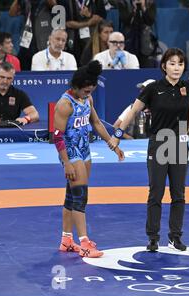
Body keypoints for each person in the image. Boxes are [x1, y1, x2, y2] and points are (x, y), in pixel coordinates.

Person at [109, 17, 189, 253]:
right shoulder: (153, 88)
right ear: (164, 66)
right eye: (172, 63)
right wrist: (117, 134)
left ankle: (175, 236)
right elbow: (133, 111)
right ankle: (153, 237)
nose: (176, 67)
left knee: (179, 194)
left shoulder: (188, 87)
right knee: (155, 193)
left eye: (180, 64)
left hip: (181, 146)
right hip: (158, 145)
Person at [54, 60, 124, 258]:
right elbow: (57, 136)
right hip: (71, 152)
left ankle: (66, 240)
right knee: (80, 197)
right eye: (85, 91)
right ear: (75, 87)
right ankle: (84, 243)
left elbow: (95, 122)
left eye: (90, 91)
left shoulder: (88, 99)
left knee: (71, 195)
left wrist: (112, 143)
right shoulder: (64, 104)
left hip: (85, 150)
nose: (88, 94)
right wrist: (66, 162)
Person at [9, 0, 57, 70]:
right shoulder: (26, 2)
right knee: (25, 67)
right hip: (27, 42)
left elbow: (54, 5)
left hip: (43, 42)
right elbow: (12, 13)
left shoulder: (46, 3)